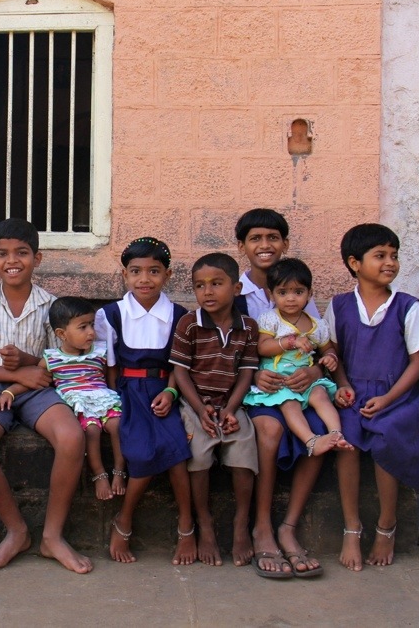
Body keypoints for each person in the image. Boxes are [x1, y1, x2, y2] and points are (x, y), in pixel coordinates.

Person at [0, 218, 92, 574]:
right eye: (2, 254)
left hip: (37, 387)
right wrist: (12, 374)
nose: (12, 260)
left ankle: (52, 537)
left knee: (72, 437)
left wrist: (28, 364)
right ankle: (16, 531)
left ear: (37, 258)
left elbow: (60, 360)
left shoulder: (51, 306)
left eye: (22, 253)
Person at [326, 223, 419, 571]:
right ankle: (351, 527)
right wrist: (342, 385)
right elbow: (333, 353)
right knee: (346, 440)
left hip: (398, 396)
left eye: (394, 256)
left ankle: (386, 526)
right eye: (380, 255)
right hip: (353, 393)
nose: (390, 263)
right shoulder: (339, 306)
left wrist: (387, 399)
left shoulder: (407, 307)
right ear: (354, 263)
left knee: (386, 438)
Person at [235, 208, 329, 579]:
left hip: (299, 388)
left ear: (285, 243)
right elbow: (224, 349)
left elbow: (320, 343)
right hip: (256, 391)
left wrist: (316, 371)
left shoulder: (299, 290)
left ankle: (289, 527)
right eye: (255, 238)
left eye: (273, 237)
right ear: (242, 246)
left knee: (321, 429)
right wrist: (254, 375)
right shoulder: (234, 293)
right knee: (270, 430)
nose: (265, 245)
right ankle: (261, 526)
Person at [96, 237, 196, 566]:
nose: (145, 279)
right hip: (127, 392)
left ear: (168, 275)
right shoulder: (112, 314)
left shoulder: (179, 316)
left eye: (154, 271)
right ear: (124, 274)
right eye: (136, 271)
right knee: (141, 453)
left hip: (164, 391)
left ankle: (186, 526)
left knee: (177, 454)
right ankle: (124, 519)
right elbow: (109, 365)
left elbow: (179, 365)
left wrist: (171, 393)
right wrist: (115, 401)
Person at [171, 253, 260, 568]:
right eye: (200, 285)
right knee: (197, 456)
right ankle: (205, 523)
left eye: (216, 284)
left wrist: (232, 409)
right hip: (195, 404)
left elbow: (247, 372)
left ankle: (241, 523)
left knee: (244, 453)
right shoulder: (189, 324)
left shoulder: (248, 327)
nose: (207, 292)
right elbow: (180, 372)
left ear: (236, 288)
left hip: (232, 404)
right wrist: (200, 409)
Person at [0, 296, 126, 500]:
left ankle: (119, 472)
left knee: (117, 425)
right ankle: (99, 474)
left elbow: (110, 376)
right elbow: (35, 379)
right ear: (61, 334)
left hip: (104, 399)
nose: (91, 332)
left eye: (92, 325)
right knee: (92, 431)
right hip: (80, 405)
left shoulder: (100, 352)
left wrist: (116, 394)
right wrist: (9, 392)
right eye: (83, 327)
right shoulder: (53, 359)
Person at [242, 258, 353, 458]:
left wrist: (329, 357)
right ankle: (311, 441)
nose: (291, 299)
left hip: (306, 379)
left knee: (320, 394)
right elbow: (262, 347)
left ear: (310, 294)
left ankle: (336, 435)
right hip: (280, 380)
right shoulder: (271, 319)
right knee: (290, 403)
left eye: (298, 292)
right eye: (283, 292)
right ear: (271, 294)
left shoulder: (317, 325)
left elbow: (328, 349)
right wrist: (290, 342)